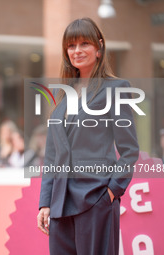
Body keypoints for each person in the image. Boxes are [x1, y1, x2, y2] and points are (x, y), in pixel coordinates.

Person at [37, 17, 139, 255]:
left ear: (99, 48)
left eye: (84, 44)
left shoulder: (116, 89)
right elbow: (52, 156)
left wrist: (111, 192)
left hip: (96, 199)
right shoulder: (63, 98)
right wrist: (45, 202)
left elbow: (129, 150)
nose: (77, 50)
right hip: (60, 206)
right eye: (71, 46)